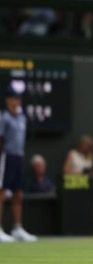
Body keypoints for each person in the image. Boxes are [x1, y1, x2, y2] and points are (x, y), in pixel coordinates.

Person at [0, 87, 37, 242]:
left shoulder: (22, 118)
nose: (17, 101)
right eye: (14, 98)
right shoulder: (4, 118)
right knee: (2, 193)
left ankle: (17, 228)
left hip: (18, 158)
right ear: (7, 100)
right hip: (6, 157)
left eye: (19, 98)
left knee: (18, 194)